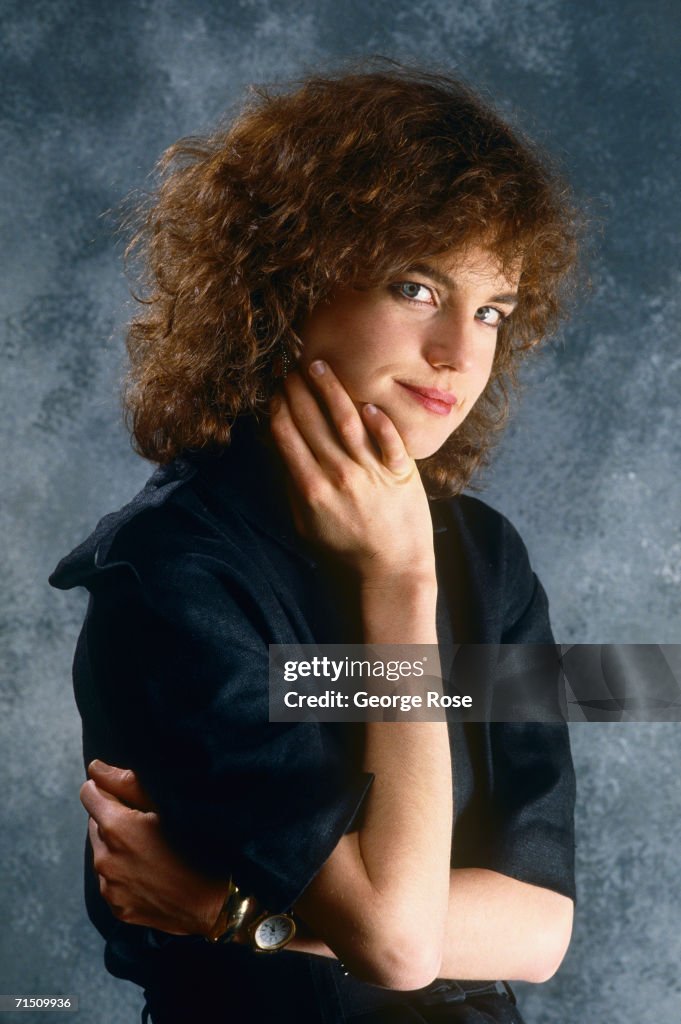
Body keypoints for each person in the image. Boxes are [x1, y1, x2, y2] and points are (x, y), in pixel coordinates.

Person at [50, 62, 580, 1023]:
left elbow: (539, 930)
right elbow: (396, 938)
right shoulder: (170, 572)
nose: (461, 352)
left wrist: (234, 912)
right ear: (287, 279)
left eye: (492, 309)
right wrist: (399, 584)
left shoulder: (486, 556)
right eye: (417, 285)